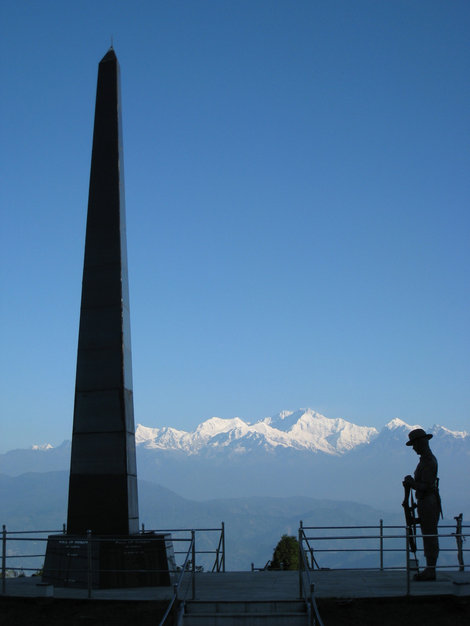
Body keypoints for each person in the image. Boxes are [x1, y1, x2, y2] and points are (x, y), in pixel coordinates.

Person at [403, 428, 441, 581]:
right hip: (426, 501)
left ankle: (430, 570)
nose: (413, 448)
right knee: (428, 534)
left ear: (421, 443)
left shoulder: (429, 462)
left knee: (430, 535)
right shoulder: (426, 460)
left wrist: (412, 483)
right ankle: (429, 568)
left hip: (428, 501)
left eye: (414, 444)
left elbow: (426, 485)